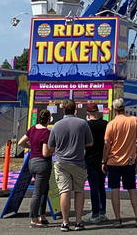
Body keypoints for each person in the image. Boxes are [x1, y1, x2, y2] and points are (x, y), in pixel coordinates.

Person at [47, 99, 93, 232]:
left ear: (63, 110)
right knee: (79, 191)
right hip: (78, 162)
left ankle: (65, 222)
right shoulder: (82, 124)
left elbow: (51, 146)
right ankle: (78, 222)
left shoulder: (56, 125)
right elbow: (90, 142)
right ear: (75, 110)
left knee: (64, 191)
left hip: (61, 162)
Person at [102, 97, 137, 227]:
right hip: (129, 161)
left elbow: (107, 145)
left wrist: (104, 161)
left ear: (114, 109)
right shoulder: (134, 120)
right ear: (124, 107)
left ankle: (117, 219)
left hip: (113, 161)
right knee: (132, 189)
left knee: (115, 189)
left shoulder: (111, 124)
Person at [17, 108, 53, 228]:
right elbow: (45, 153)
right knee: (38, 192)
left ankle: (42, 215)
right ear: (48, 119)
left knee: (44, 189)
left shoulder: (32, 129)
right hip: (42, 164)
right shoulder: (46, 133)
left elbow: (20, 142)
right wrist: (53, 150)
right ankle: (34, 219)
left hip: (32, 162)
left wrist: (31, 147)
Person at [84, 102, 107, 223]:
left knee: (94, 187)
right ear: (98, 111)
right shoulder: (105, 124)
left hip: (90, 159)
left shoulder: (86, 125)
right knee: (101, 186)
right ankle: (102, 212)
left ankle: (95, 214)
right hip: (103, 159)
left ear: (88, 113)